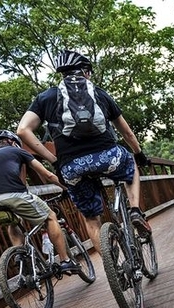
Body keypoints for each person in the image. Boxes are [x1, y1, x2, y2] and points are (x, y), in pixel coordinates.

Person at [17, 50, 151, 253]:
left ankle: (113, 266)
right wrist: (139, 153)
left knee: (91, 218)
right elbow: (127, 133)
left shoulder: (46, 97)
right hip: (108, 158)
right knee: (130, 164)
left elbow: (22, 130)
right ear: (85, 73)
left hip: (72, 167)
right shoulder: (99, 94)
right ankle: (134, 211)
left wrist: (54, 160)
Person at [0, 130, 78, 272]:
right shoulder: (18, 151)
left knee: (13, 220)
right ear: (12, 142)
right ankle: (66, 261)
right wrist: (66, 188)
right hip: (12, 195)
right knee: (50, 217)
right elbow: (47, 174)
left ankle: (19, 254)